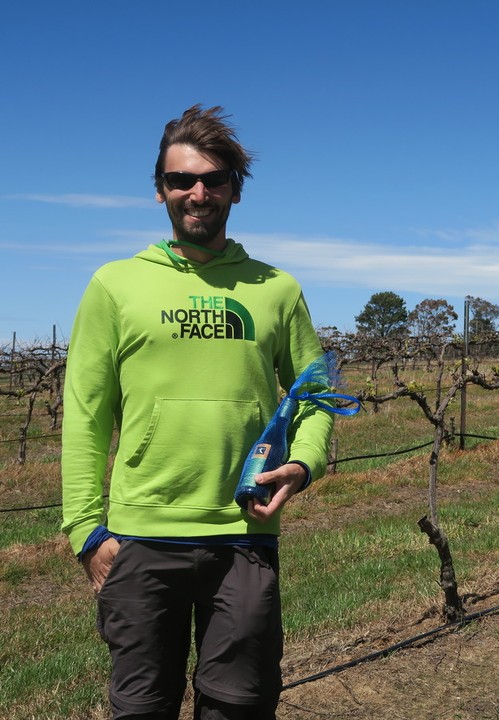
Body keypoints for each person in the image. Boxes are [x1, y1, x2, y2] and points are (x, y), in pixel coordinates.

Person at [61, 105, 335, 720]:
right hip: (140, 537)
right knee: (140, 708)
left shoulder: (277, 289)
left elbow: (316, 392)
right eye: (181, 179)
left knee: (239, 705)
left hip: (243, 533)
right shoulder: (115, 285)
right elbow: (84, 414)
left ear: (236, 188)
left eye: (212, 179)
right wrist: (84, 530)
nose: (197, 192)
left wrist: (302, 463)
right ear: (160, 190)